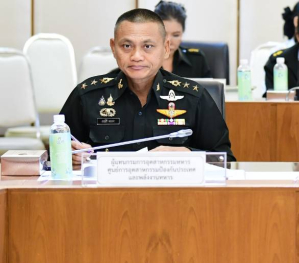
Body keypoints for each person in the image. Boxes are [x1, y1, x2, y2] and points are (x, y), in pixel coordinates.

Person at [60, 9, 234, 164]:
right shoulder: (87, 96)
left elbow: (225, 160)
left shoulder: (193, 97)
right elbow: (56, 157)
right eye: (127, 46)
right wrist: (70, 155)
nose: (136, 56)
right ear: (113, 48)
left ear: (166, 48)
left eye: (148, 46)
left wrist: (189, 154)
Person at [153, 0, 212, 79]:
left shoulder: (197, 60)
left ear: (182, 33)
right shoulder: (143, 60)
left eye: (176, 35)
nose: (169, 41)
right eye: (164, 34)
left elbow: (210, 86)